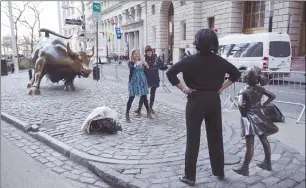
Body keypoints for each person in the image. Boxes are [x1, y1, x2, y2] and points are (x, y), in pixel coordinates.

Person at [166, 28, 241, 186]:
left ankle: (190, 176)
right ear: (214, 43)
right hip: (213, 99)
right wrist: (221, 87)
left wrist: (184, 88)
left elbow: (170, 73)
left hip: (195, 99)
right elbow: (236, 74)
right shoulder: (219, 61)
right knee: (216, 136)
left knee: (193, 138)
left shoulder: (190, 60)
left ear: (197, 43)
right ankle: (219, 171)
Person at [233, 66, 279, 176]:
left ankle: (245, 168)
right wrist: (262, 104)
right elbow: (272, 96)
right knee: (263, 139)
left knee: (250, 143)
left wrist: (244, 113)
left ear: (247, 77)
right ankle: (267, 163)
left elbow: (240, 104)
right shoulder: (260, 89)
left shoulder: (244, 90)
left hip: (249, 117)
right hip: (259, 115)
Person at [134, 45, 164, 115]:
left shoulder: (156, 58)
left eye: (150, 51)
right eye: (148, 52)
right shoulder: (143, 59)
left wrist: (164, 66)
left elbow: (161, 67)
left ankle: (150, 107)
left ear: (152, 51)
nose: (149, 53)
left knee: (152, 94)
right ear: (146, 53)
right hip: (146, 78)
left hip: (154, 78)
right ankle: (139, 108)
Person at [126, 48, 152, 123]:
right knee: (131, 97)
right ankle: (127, 114)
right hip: (134, 81)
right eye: (135, 54)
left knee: (144, 97)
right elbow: (131, 68)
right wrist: (138, 64)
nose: (137, 55)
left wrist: (146, 64)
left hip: (142, 80)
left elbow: (148, 68)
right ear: (132, 55)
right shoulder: (130, 62)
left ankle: (148, 112)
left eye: (138, 53)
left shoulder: (141, 61)